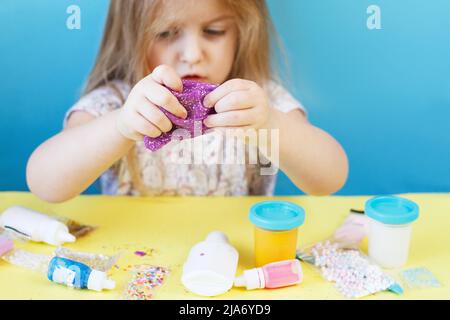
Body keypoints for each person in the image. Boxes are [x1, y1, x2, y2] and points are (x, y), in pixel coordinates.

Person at [26, 0, 348, 202]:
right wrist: (121, 126)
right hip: (135, 261)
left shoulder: (258, 102)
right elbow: (44, 183)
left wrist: (270, 124)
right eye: (166, 33)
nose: (193, 55)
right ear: (132, 37)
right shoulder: (116, 103)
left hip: (234, 260)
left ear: (242, 34)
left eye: (213, 31)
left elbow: (330, 178)